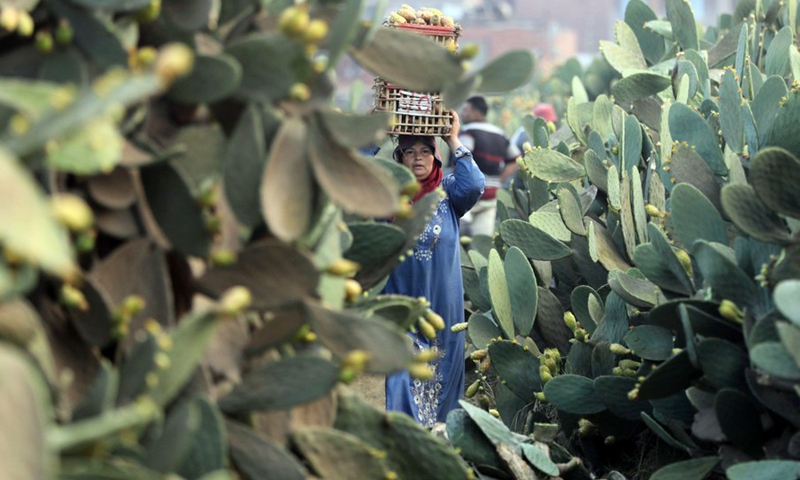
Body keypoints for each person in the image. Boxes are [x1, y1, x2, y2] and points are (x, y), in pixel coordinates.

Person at [383, 110, 484, 428]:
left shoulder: (449, 194)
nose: (417, 158)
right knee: (402, 378)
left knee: (443, 387)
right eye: (409, 152)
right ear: (398, 158)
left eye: (425, 151)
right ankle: (407, 445)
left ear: (436, 157)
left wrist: (452, 138)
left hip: (445, 311)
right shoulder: (387, 199)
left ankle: (441, 449)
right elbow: (350, 180)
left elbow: (474, 184)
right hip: (403, 309)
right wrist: (374, 133)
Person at [458, 96, 521, 238]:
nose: (462, 114)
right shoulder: (501, 134)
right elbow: (516, 159)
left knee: (461, 239)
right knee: (482, 244)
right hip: (491, 196)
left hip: (468, 194)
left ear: (475, 113)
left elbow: (462, 156)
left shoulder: (468, 131)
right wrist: (499, 180)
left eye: (465, 110)